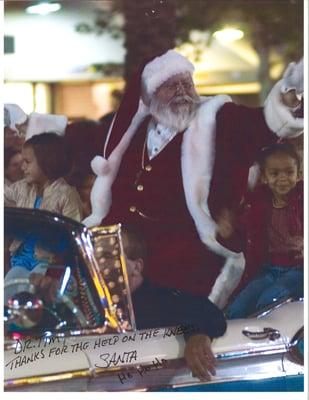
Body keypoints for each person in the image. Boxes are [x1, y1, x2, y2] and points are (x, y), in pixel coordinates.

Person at [83, 50, 303, 309]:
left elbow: (261, 124)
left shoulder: (218, 119)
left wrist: (289, 98)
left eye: (187, 83)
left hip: (191, 253)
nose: (182, 91)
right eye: (171, 85)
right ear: (151, 95)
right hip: (132, 257)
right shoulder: (134, 131)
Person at [29, 225, 227, 382]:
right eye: (93, 258)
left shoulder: (162, 300)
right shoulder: (81, 304)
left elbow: (209, 313)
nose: (97, 265)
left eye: (107, 256)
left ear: (136, 266)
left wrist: (198, 335)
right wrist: (42, 308)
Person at [225, 143, 303, 318]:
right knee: (237, 308)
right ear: (264, 177)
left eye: (289, 172)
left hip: (299, 270)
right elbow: (243, 224)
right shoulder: (258, 202)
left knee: (267, 302)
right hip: (269, 269)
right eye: (275, 173)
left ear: (299, 175)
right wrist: (229, 224)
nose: (282, 178)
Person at [4, 132, 83, 285]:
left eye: (27, 162)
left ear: (47, 162)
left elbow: (74, 232)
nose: (22, 167)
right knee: (8, 293)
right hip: (19, 260)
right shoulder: (22, 187)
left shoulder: (66, 194)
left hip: (47, 263)